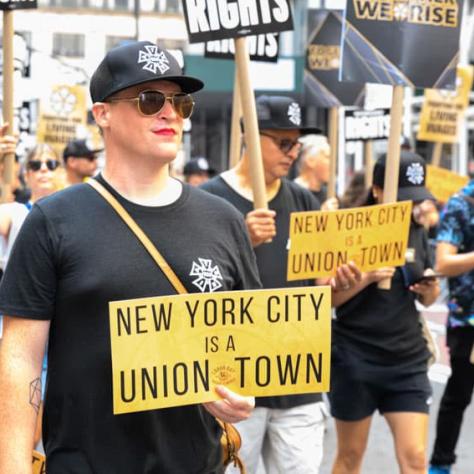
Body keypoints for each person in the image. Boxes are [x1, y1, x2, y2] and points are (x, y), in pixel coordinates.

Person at [0, 40, 260, 473]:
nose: (170, 112)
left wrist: (243, 390)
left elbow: (248, 342)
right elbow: (19, 359)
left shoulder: (225, 220)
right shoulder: (52, 220)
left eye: (180, 101)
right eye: (149, 99)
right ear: (103, 114)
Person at [202, 94, 361, 474]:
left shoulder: (305, 201)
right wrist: (243, 241)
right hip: (236, 383)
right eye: (282, 142)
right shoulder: (207, 201)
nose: (292, 153)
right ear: (250, 139)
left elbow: (323, 293)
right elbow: (195, 287)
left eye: (297, 144)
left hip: (298, 380)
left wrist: (343, 281)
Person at [329, 151, 441, 474]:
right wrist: (368, 276)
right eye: (403, 196)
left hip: (406, 359)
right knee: (350, 457)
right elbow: (328, 299)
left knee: (416, 458)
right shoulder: (348, 228)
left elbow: (430, 297)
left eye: (415, 198)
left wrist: (429, 289)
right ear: (377, 191)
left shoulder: (417, 229)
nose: (408, 205)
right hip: (355, 357)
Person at [428, 179, 474, 474]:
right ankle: (440, 465)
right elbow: (442, 263)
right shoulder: (461, 204)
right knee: (459, 395)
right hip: (468, 319)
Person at [294, 134, 339, 211]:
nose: (333, 164)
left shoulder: (329, 194)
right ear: (310, 160)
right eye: (328, 157)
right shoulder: (292, 194)